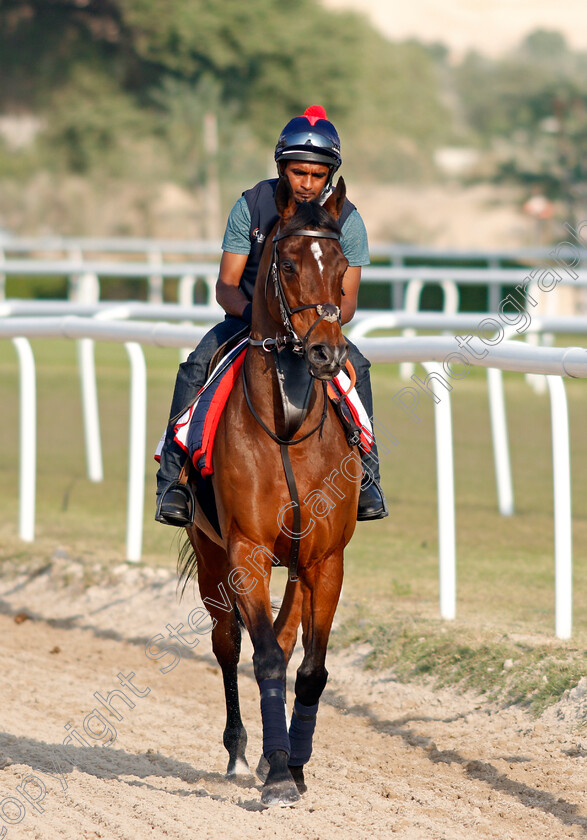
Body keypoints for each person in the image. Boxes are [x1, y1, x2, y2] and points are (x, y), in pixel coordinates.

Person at [156, 105, 387, 526]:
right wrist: (260, 318)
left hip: (315, 328)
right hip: (248, 325)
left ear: (330, 175)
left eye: (318, 175)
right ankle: (173, 481)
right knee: (195, 364)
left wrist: (317, 325)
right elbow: (225, 285)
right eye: (299, 172)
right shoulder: (250, 206)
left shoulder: (347, 220)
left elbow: (348, 300)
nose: (308, 183)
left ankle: (368, 478)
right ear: (282, 167)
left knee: (360, 367)